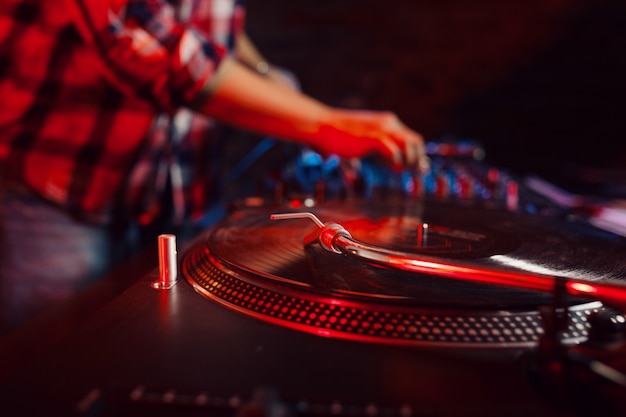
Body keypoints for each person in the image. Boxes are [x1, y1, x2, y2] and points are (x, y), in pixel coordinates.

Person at [0, 0, 429, 332]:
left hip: (165, 188)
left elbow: (198, 19)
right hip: (53, 186)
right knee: (49, 369)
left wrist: (264, 74)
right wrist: (324, 121)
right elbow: (141, 36)